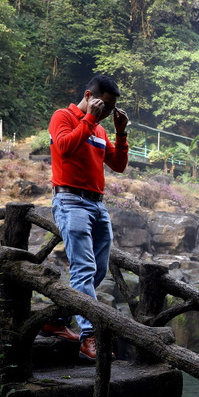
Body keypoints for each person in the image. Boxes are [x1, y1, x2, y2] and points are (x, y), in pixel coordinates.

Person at [41, 74, 129, 360]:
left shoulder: (102, 131)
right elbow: (64, 148)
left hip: (97, 204)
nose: (105, 113)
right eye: (103, 105)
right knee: (84, 268)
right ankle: (89, 338)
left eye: (110, 109)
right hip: (70, 200)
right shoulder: (62, 116)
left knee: (97, 269)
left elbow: (118, 165)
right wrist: (89, 119)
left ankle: (57, 318)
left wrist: (120, 132)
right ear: (89, 95)